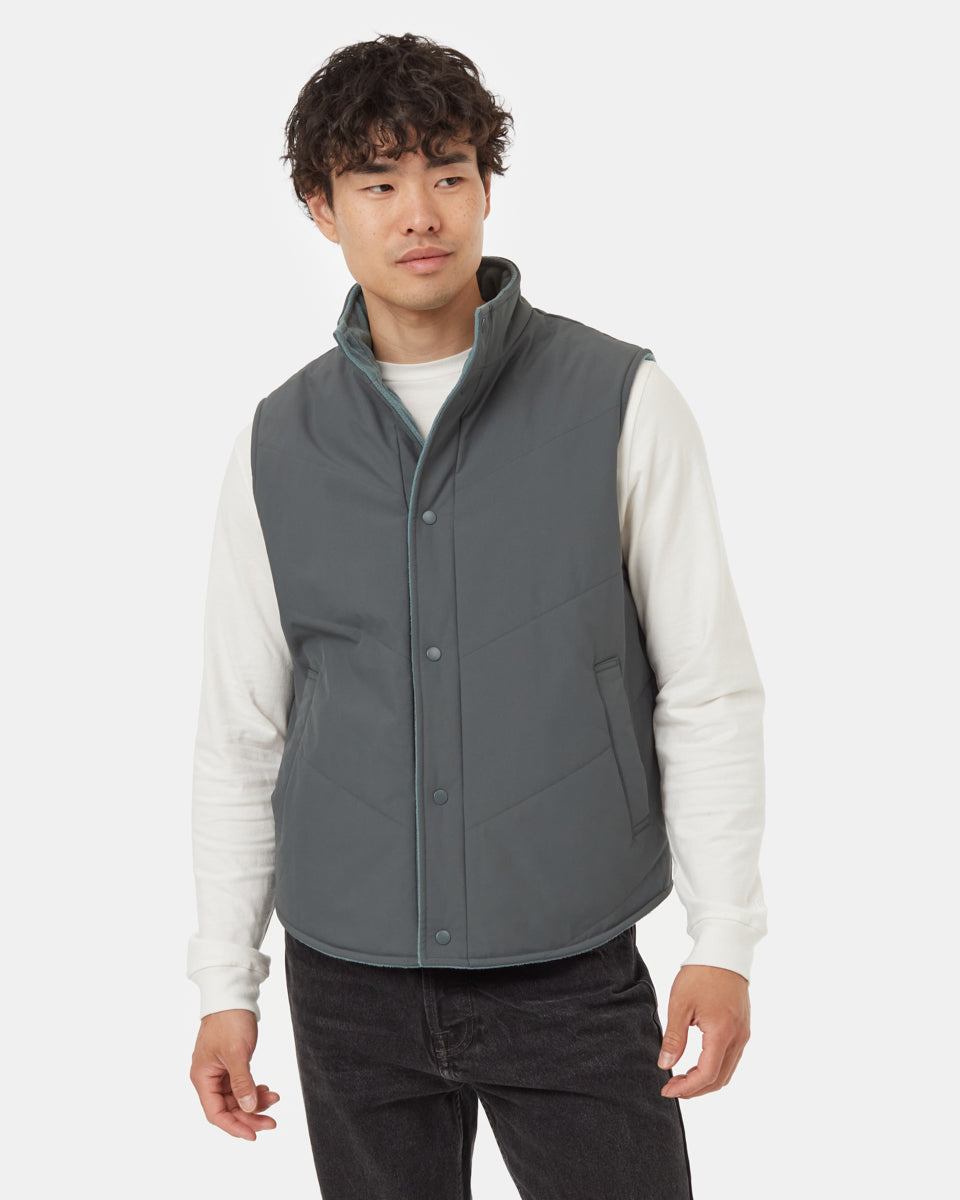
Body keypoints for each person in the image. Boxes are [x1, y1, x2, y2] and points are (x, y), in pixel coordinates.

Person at [187, 31, 767, 1200]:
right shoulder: (277, 442)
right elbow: (244, 731)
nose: (421, 214)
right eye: (377, 183)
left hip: (569, 970)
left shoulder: (621, 400)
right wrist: (223, 984)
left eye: (448, 173)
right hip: (348, 988)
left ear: (486, 190)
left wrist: (724, 940)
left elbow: (707, 688)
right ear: (322, 210)